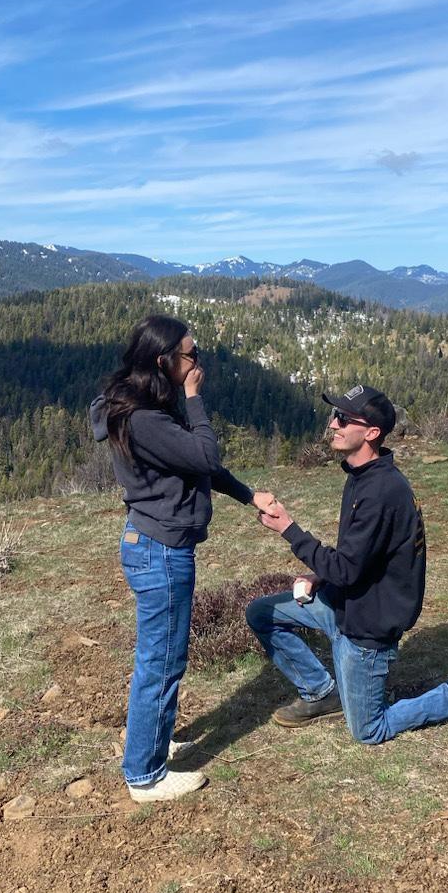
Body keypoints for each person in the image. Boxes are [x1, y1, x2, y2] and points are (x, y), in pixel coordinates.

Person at [246, 384, 448, 744]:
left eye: (343, 419)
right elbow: (359, 557)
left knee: (369, 730)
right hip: (346, 602)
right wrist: (321, 575)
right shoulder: (362, 475)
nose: (333, 424)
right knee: (262, 613)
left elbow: (347, 569)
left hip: (368, 626)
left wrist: (288, 529)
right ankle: (322, 693)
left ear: (371, 433)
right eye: (335, 415)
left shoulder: (382, 491)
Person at [90, 315, 278, 802]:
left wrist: (249, 495)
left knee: (161, 656)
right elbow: (205, 455)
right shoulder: (145, 419)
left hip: (154, 544)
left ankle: (152, 740)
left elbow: (197, 466)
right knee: (162, 661)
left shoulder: (147, 407)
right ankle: (145, 774)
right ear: (163, 361)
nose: (198, 363)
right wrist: (194, 398)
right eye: (191, 355)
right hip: (161, 550)